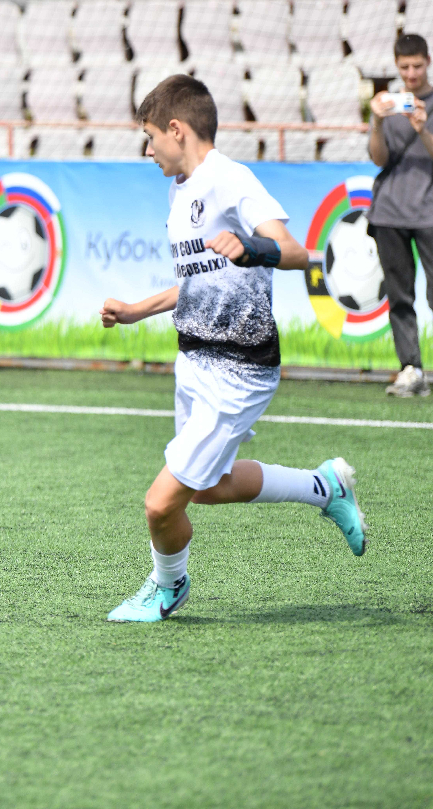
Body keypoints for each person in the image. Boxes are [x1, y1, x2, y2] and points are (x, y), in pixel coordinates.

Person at [98, 75, 366, 623]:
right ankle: (325, 486)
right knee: (208, 489)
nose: (148, 151)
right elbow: (200, 282)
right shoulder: (178, 192)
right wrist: (135, 310)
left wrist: (252, 248)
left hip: (238, 369)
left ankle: (167, 585)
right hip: (193, 359)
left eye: (150, 137)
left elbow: (296, 253)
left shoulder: (231, 180)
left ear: (177, 129)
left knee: (159, 503)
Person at [367, 35, 433, 401]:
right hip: (388, 212)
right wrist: (377, 122)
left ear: (429, 61)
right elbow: (378, 159)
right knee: (400, 296)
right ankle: (410, 369)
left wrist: (422, 130)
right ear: (397, 66)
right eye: (404, 67)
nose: (411, 74)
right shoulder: (386, 107)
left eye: (417, 66)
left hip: (431, 212)